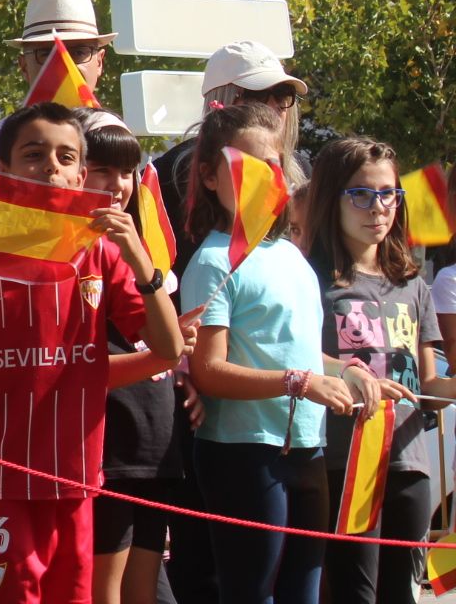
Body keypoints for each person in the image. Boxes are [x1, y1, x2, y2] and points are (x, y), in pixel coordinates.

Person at [0, 103, 183, 604]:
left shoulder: (102, 255)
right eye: (34, 154)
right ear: (3, 169)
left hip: (76, 483)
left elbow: (167, 350)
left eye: (65, 156)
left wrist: (143, 263)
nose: (50, 167)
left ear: (81, 174)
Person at [179, 101, 366, 604]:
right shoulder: (213, 261)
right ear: (210, 177)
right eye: (248, 164)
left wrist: (347, 370)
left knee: (305, 590)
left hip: (308, 446)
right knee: (251, 592)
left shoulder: (291, 256)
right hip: (242, 452)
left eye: (275, 164)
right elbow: (210, 369)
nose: (267, 175)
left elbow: (295, 351)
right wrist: (302, 383)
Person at [307, 136, 448, 604]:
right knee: (354, 594)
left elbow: (430, 384)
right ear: (333, 198)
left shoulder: (412, 283)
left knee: (402, 595)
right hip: (346, 462)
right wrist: (341, 369)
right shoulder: (310, 277)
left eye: (389, 193)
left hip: (411, 463)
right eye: (361, 194)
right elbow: (291, 355)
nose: (379, 207)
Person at [81, 114, 182, 604]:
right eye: (103, 169)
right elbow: (73, 362)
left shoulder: (136, 248)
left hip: (155, 445)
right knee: (106, 592)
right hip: (105, 450)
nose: (117, 185)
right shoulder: (68, 253)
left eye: (128, 172)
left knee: (145, 589)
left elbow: (166, 343)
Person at [0, 0, 113, 207]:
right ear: (23, 66)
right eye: (47, 53)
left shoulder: (116, 137)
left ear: (100, 62)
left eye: (78, 52)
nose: (63, 63)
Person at [154, 41, 309, 240]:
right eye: (257, 95)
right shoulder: (175, 172)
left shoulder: (302, 169)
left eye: (283, 95)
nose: (272, 107)